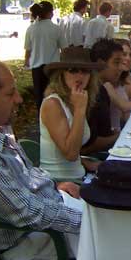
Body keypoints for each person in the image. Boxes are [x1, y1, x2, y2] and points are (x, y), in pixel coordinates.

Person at [0, 59, 84, 260]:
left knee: (116, 212)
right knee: (113, 238)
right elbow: (26, 213)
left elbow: (27, 173)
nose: (19, 99)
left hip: (45, 215)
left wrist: (55, 185)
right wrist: (88, 221)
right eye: (10, 93)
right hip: (24, 240)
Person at [40, 47, 102, 182]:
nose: (80, 76)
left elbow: (76, 149)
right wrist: (80, 109)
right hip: (58, 183)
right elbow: (70, 153)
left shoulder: (74, 99)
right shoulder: (53, 103)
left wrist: (85, 162)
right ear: (61, 74)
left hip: (80, 176)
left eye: (85, 71)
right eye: (73, 70)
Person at [80, 39, 124, 156]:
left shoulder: (102, 89)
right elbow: (87, 146)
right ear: (100, 63)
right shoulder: (88, 94)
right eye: (116, 62)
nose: (121, 68)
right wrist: (120, 136)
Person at [24, 1, 66, 111]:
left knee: (39, 94)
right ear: (50, 13)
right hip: (53, 66)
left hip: (36, 66)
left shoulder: (31, 29)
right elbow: (64, 48)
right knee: (54, 93)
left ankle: (41, 117)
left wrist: (26, 61)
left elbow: (28, 49)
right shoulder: (56, 29)